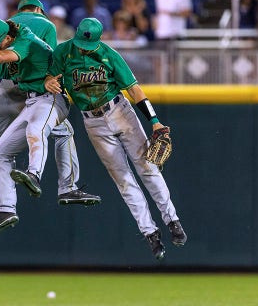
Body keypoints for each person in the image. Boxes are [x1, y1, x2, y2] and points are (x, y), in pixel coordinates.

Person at [44, 17, 187, 260]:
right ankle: (149, 232)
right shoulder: (63, 52)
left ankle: (172, 219)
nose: (83, 48)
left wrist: (154, 121)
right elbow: (50, 76)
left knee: (148, 168)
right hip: (93, 121)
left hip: (120, 112)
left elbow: (134, 90)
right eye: (81, 43)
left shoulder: (109, 55)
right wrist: (48, 80)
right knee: (122, 179)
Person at [0, 0, 101, 233]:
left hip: (47, 96)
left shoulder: (24, 38)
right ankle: (6, 209)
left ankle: (32, 177)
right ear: (39, 9)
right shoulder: (11, 29)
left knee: (18, 135)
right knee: (2, 150)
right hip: (30, 96)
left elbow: (0, 56)